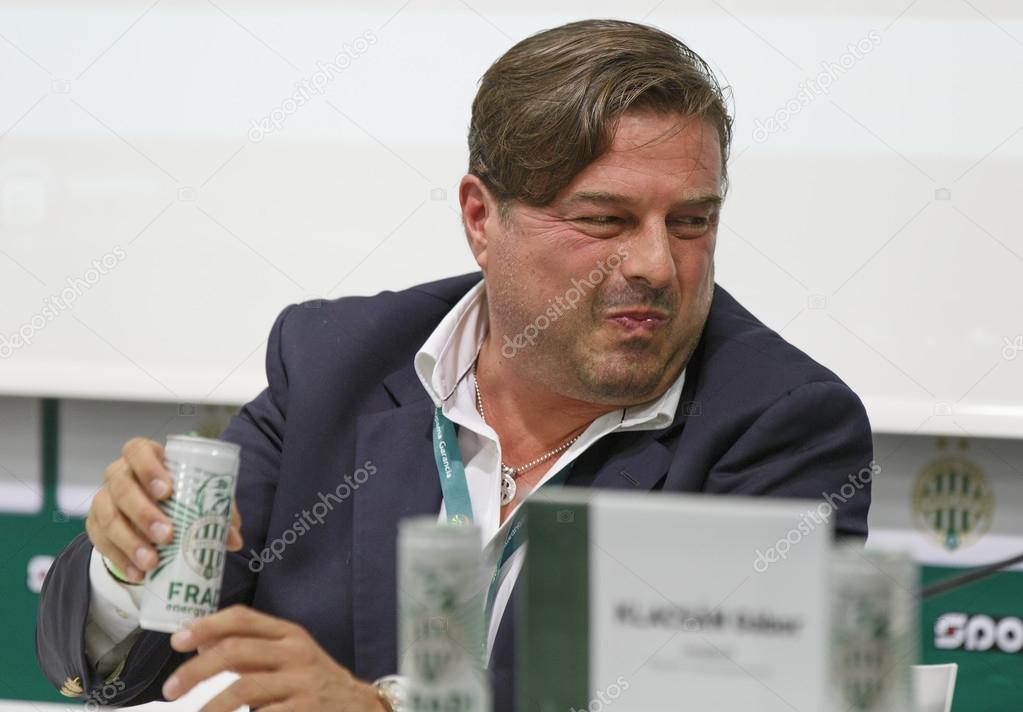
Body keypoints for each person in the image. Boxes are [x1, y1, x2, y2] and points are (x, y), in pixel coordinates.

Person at [36, 18, 872, 712]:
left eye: (691, 222)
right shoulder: (335, 363)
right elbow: (131, 666)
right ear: (481, 217)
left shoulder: (779, 424)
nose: (657, 264)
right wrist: (129, 565)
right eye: (604, 219)